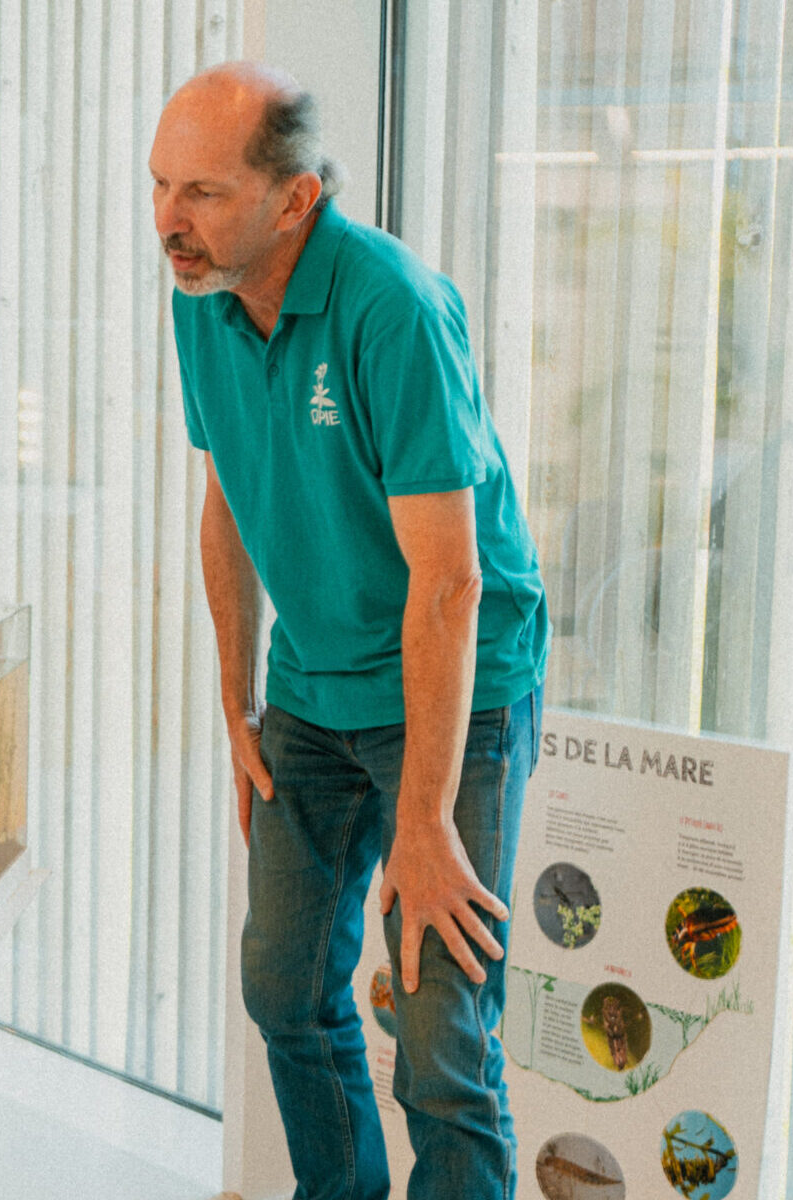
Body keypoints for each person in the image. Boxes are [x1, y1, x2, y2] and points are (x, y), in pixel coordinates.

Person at [151, 64, 549, 1197]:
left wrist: (421, 819)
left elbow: (450, 585)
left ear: (297, 198)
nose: (172, 222)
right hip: (313, 694)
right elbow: (228, 502)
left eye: (205, 193)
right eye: (160, 186)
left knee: (438, 1044)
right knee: (283, 987)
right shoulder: (202, 297)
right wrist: (236, 703)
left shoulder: (395, 309)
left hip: (455, 694)